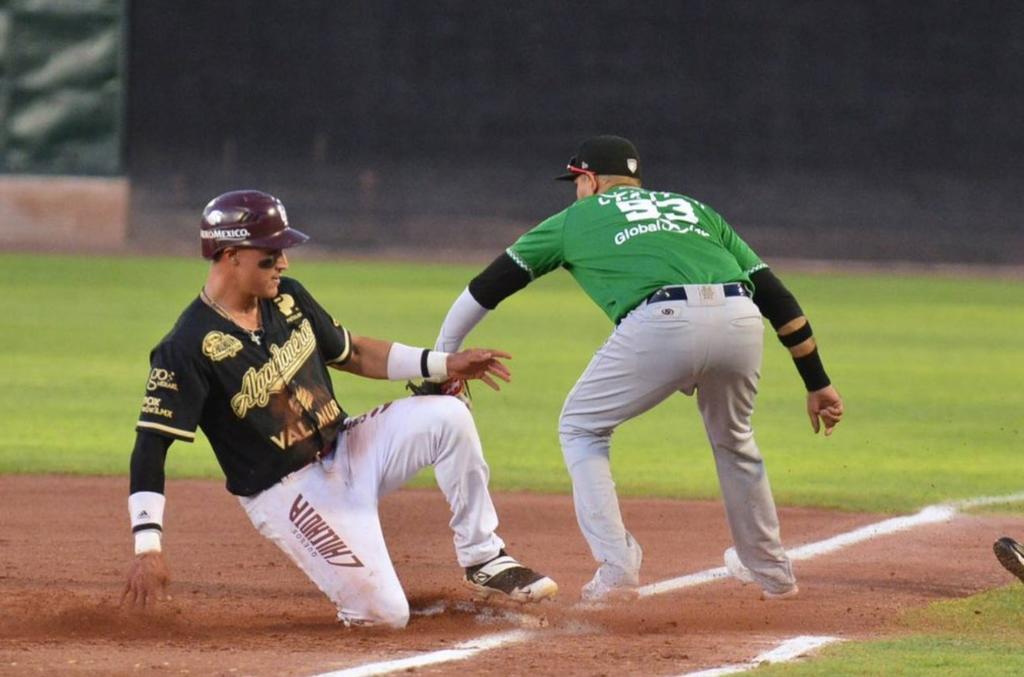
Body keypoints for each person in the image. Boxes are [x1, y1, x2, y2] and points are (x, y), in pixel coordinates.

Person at [430, 136, 844, 602]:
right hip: (740, 317)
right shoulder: (694, 210)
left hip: (663, 320)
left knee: (581, 426)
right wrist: (818, 383)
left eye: (576, 182)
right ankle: (773, 573)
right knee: (735, 439)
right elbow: (778, 299)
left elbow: (488, 287)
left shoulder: (575, 219)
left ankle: (618, 568)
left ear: (589, 180)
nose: (576, 191)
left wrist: (444, 357)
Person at [121, 190, 557, 627]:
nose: (283, 263)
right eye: (270, 255)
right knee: (385, 617)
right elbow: (150, 446)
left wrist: (444, 363)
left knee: (449, 416)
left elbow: (354, 353)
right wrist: (147, 547)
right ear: (232, 255)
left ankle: (484, 558)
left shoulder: (288, 298)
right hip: (291, 493)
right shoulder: (186, 346)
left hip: (348, 445)